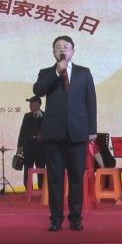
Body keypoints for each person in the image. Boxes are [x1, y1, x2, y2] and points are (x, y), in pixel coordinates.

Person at [33, 35, 96, 232]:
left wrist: (92, 130)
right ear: (53, 52)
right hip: (53, 135)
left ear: (73, 51)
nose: (62, 49)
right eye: (58, 47)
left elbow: (91, 101)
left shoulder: (84, 73)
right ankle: (56, 219)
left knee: (77, 178)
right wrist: (56, 72)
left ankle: (76, 218)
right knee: (55, 180)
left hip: (77, 134)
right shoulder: (46, 72)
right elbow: (38, 90)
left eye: (66, 47)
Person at [16, 96, 45, 190]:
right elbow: (22, 132)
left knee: (41, 169)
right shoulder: (27, 116)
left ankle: (42, 189)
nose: (30, 106)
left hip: (41, 149)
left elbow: (49, 131)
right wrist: (19, 146)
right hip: (28, 148)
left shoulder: (45, 116)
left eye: (32, 104)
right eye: (30, 104)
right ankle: (28, 189)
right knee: (28, 169)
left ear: (38, 104)